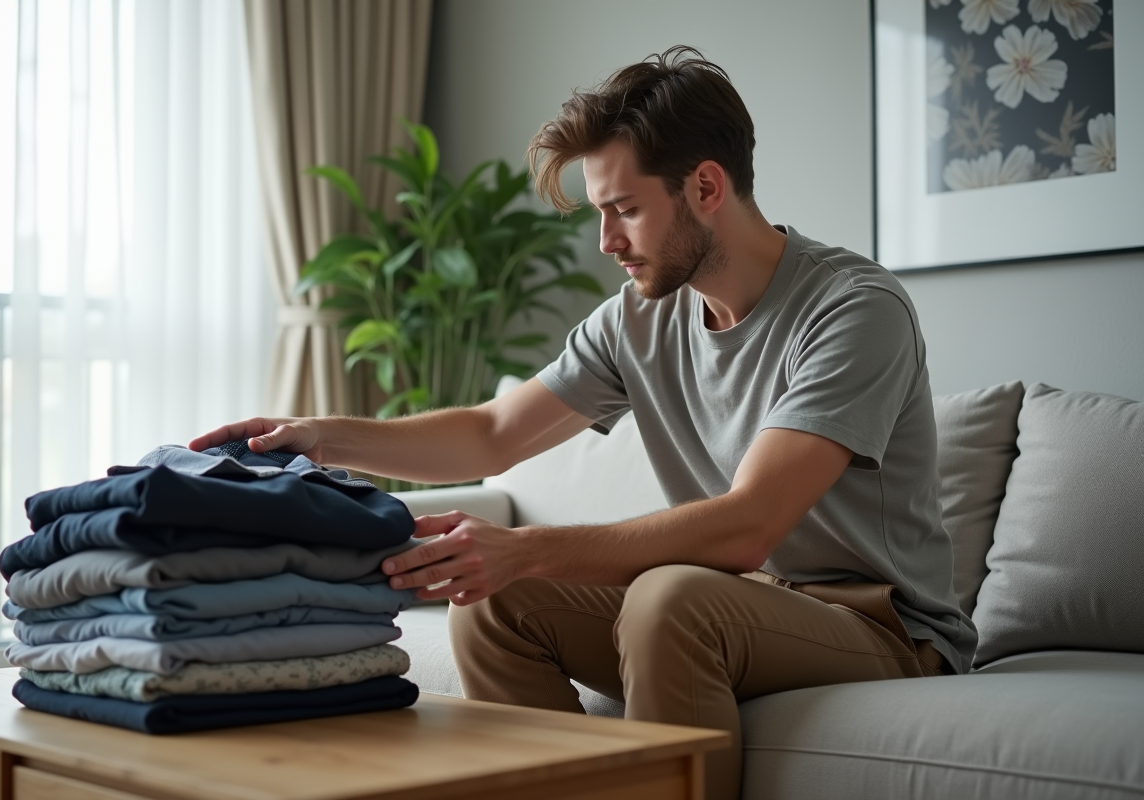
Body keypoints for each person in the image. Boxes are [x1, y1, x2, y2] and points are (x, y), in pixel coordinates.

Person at [191, 46, 977, 800]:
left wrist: (525, 547)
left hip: (879, 625)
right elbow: (494, 433)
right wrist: (321, 436)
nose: (607, 242)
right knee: (494, 603)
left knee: (671, 598)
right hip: (742, 602)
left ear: (707, 186)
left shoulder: (853, 309)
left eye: (625, 210)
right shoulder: (638, 318)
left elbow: (750, 525)